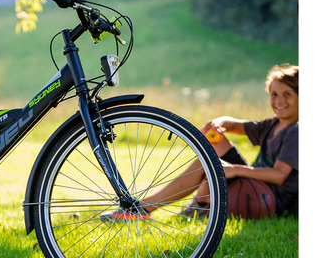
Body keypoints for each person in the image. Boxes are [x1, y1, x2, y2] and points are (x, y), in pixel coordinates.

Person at [101, 64, 299, 221]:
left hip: (268, 198)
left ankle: (148, 208)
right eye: (274, 94)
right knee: (211, 149)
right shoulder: (273, 124)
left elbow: (279, 175)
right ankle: (195, 206)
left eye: (287, 94)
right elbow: (231, 124)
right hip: (255, 183)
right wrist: (217, 125)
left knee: (209, 164)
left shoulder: (296, 131)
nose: (278, 101)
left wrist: (235, 169)